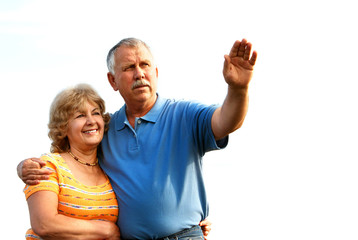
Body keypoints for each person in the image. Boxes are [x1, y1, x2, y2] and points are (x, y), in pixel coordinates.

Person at [19, 37, 257, 239]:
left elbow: (226, 121)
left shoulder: (184, 114)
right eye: (129, 68)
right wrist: (22, 167)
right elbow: (72, 153)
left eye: (145, 65)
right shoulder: (107, 130)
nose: (139, 73)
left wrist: (238, 89)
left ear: (156, 72)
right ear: (113, 80)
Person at [23, 84, 121, 239]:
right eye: (80, 116)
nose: (90, 121)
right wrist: (107, 230)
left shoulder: (109, 168)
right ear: (63, 127)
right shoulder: (48, 166)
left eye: (95, 113)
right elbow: (44, 224)